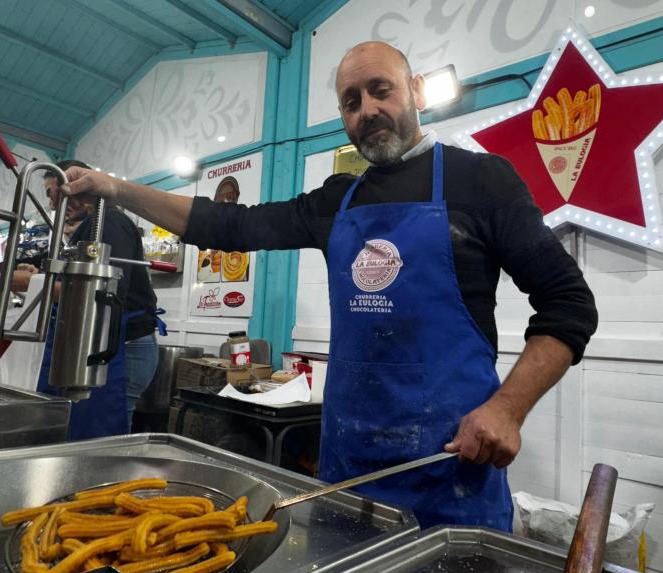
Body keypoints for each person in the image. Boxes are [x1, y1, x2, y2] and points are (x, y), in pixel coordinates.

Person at [50, 42, 597, 531]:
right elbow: (229, 225)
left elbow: (568, 304)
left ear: (417, 92)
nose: (368, 111)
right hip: (348, 472)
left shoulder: (481, 180)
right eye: (351, 101)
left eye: (380, 91)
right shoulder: (338, 200)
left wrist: (507, 409)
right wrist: (112, 188)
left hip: (449, 473)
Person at [13, 160, 162, 438]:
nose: (54, 202)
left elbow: (103, 292)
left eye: (57, 191)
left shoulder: (109, 222)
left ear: (82, 186)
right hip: (102, 346)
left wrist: (34, 283)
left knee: (105, 432)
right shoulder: (90, 227)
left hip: (121, 349)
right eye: (49, 194)